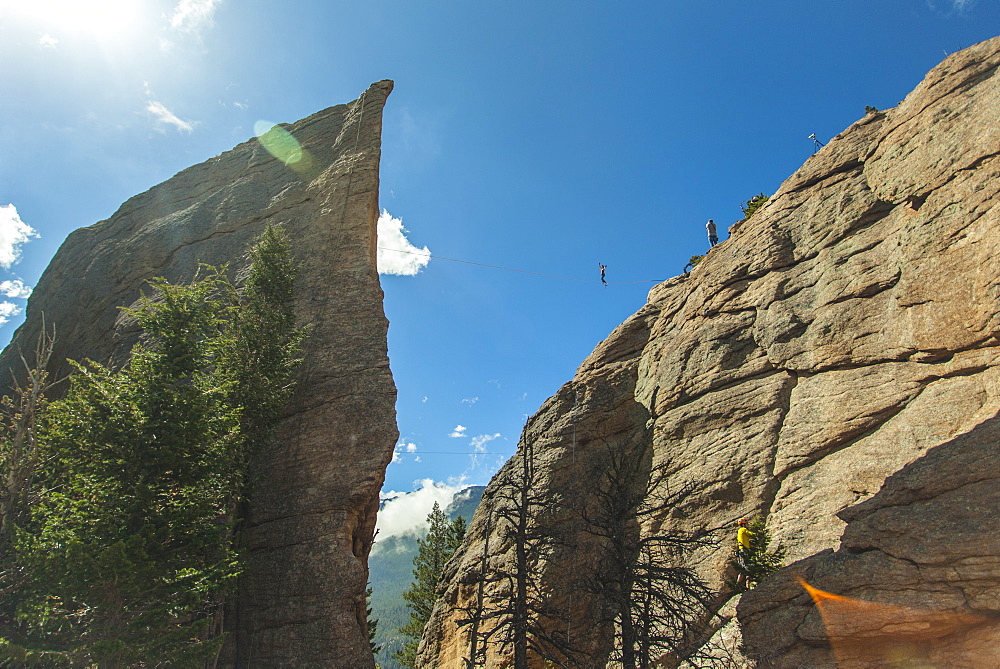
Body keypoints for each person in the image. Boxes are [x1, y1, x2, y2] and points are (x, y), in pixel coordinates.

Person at [735, 518, 753, 588]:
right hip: (744, 550)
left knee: (742, 569)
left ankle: (737, 585)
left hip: (741, 551)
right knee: (748, 567)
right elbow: (750, 534)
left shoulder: (739, 531)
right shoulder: (743, 529)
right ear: (744, 524)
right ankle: (748, 585)